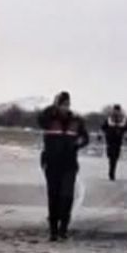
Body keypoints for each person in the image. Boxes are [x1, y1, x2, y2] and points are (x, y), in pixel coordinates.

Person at [38, 92, 89, 241]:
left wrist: (77, 144)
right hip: (52, 163)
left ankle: (63, 229)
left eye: (67, 104)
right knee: (53, 196)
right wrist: (51, 108)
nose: (64, 108)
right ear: (56, 105)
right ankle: (53, 230)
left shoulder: (76, 121)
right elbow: (40, 120)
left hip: (69, 164)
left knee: (67, 196)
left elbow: (85, 138)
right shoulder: (49, 119)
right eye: (61, 104)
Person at [101, 105, 127, 181]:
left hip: (118, 141)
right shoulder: (109, 119)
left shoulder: (123, 120)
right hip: (110, 141)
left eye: (117, 110)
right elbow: (103, 128)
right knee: (111, 156)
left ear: (119, 111)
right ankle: (111, 171)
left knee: (115, 156)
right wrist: (100, 135)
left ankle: (112, 171)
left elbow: (126, 130)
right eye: (115, 110)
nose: (116, 112)